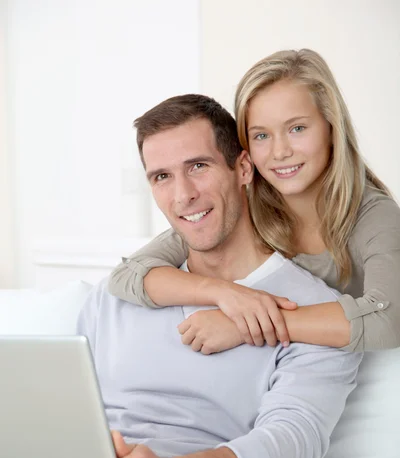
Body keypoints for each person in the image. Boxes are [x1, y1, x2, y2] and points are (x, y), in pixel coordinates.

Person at [0, 94, 362, 458]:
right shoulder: (120, 296)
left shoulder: (313, 310)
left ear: (242, 168)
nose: (183, 194)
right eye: (161, 177)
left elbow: (291, 445)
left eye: (197, 166)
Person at [109, 49, 400, 354]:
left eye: (297, 128)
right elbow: (129, 275)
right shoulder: (244, 205)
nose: (280, 151)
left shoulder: (375, 216)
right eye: (261, 136)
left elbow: (388, 319)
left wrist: (241, 324)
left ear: (331, 127)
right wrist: (225, 294)